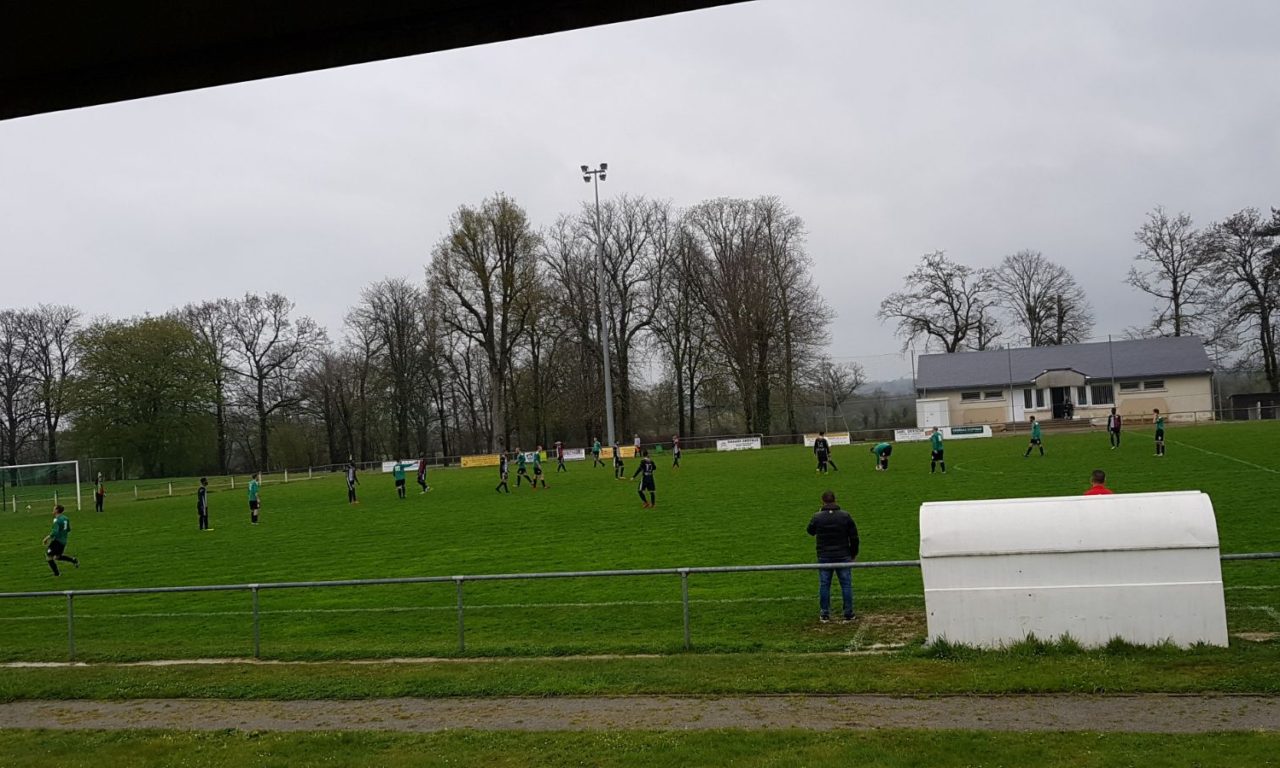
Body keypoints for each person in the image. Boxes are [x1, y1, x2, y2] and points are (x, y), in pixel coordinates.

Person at [806, 490, 859, 623]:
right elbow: (854, 537)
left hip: (824, 556)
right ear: (835, 500)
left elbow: (810, 531)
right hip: (843, 555)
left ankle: (824, 613)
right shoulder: (845, 516)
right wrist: (853, 553)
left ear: (822, 501)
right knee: (846, 585)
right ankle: (848, 613)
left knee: (824, 585)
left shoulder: (817, 517)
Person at [44, 504, 79, 576]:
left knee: (49, 557)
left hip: (57, 541)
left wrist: (46, 538)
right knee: (57, 557)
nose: (53, 510)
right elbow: (68, 529)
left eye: (54, 509)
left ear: (57, 510)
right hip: (64, 541)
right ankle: (73, 560)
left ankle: (57, 574)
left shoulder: (57, 520)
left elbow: (55, 532)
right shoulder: (66, 518)